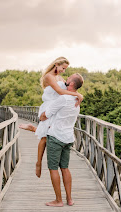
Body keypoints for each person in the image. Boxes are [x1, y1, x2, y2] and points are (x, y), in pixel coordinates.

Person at [19, 57, 83, 178]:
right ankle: (38, 162)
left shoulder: (59, 77)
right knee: (44, 137)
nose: (64, 71)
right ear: (56, 65)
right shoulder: (49, 76)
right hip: (50, 106)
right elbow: (59, 91)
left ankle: (32, 128)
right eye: (63, 68)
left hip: (58, 106)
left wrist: (78, 95)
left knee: (49, 133)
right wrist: (76, 94)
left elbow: (70, 86)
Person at [40, 73, 84, 207]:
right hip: (68, 138)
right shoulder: (77, 101)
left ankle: (58, 200)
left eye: (69, 78)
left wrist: (43, 114)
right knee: (65, 168)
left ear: (71, 84)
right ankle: (69, 199)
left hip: (56, 137)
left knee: (53, 168)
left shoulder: (63, 99)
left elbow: (44, 116)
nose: (66, 78)